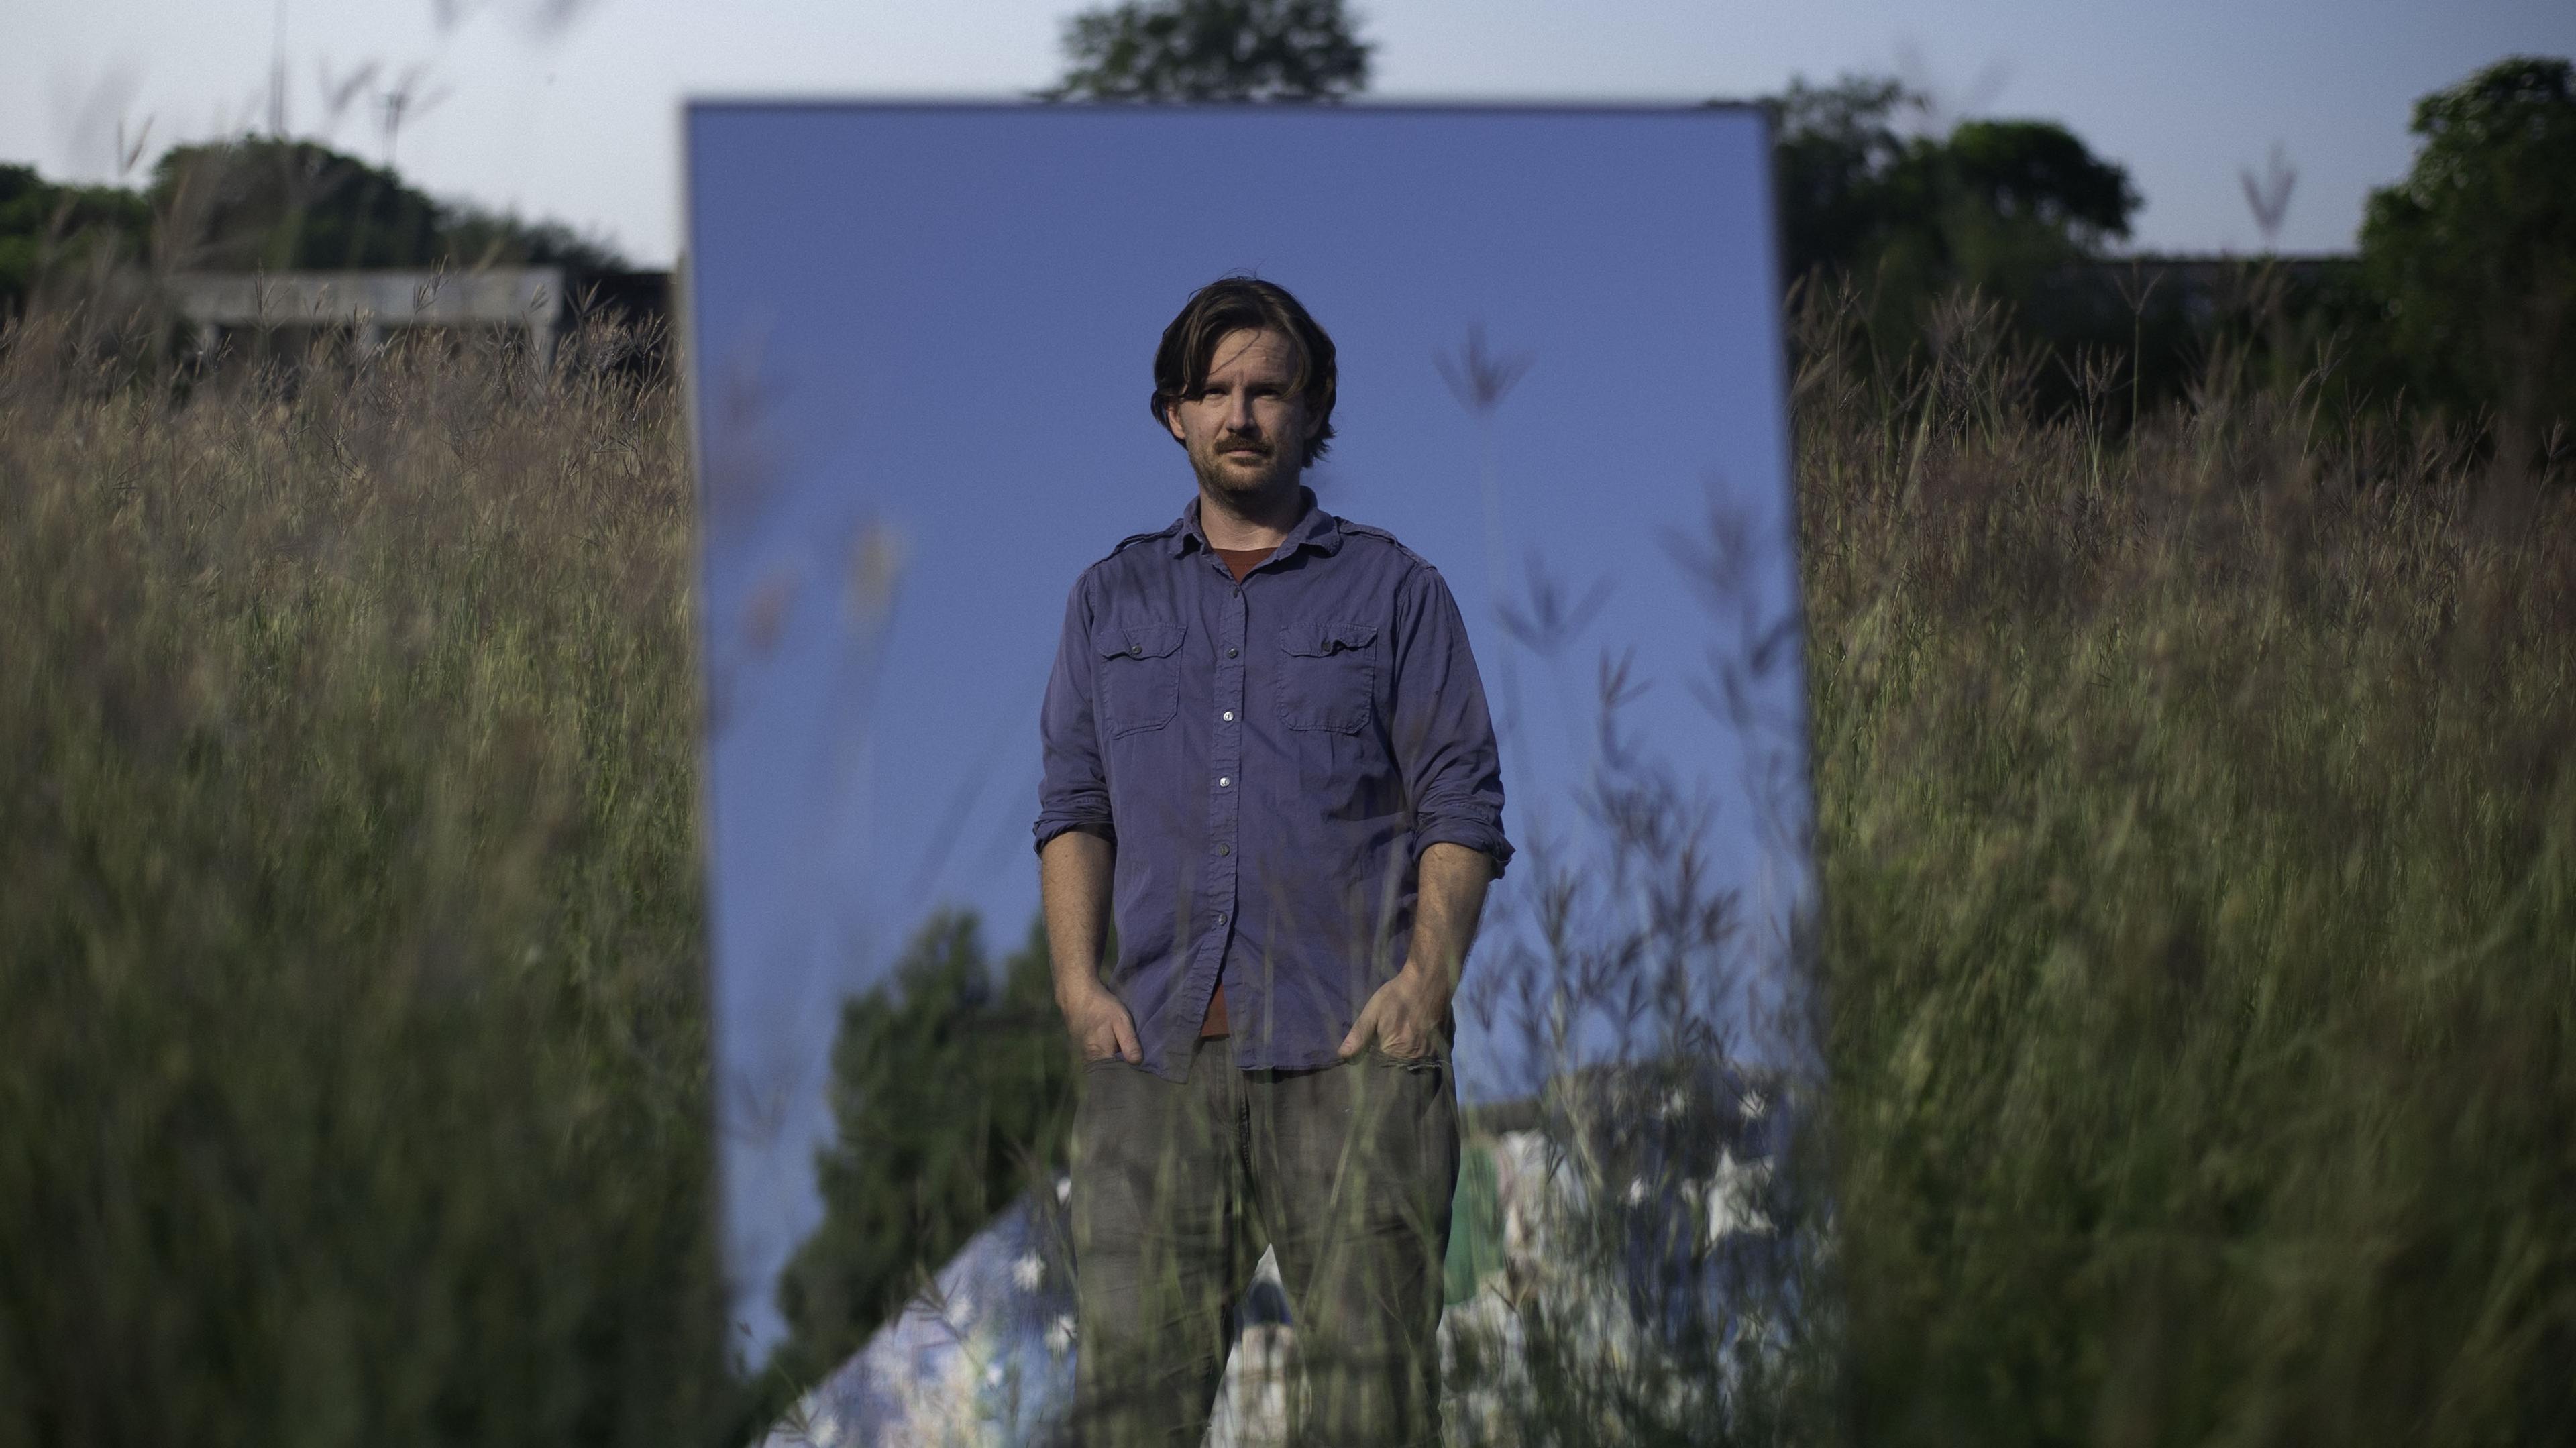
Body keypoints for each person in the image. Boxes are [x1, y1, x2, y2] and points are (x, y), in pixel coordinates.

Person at [1033, 276, 1512, 1447]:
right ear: (1175, 415)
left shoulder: (1398, 593)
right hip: (1153, 1063)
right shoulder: (1110, 601)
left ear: (1314, 411)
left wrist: (1423, 989)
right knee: (1130, 1417)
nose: (1241, 413)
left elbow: (1464, 801)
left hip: (1351, 1059)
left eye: (1268, 391)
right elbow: (1073, 804)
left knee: (1370, 1413)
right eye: (1216, 392)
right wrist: (1077, 988)